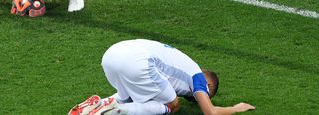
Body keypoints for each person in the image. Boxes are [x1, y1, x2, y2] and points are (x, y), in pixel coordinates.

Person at [69, 39, 255, 115]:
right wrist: (236, 108)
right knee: (173, 106)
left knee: (128, 96)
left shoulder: (182, 61)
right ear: (208, 84)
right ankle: (116, 110)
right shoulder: (198, 76)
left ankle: (97, 105)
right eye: (208, 92)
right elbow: (210, 112)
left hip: (111, 54)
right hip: (140, 61)